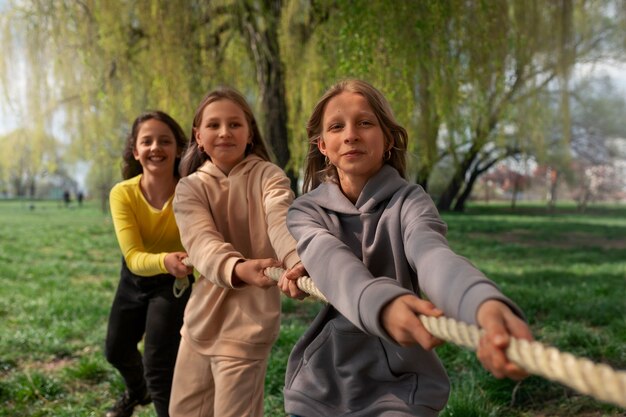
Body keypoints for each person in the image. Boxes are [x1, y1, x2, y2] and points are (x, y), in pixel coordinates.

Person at [279, 79, 534, 417]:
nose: (351, 134)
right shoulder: (305, 211)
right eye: (337, 126)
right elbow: (333, 264)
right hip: (322, 384)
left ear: (387, 140)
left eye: (365, 122)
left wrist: (479, 302)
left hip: (403, 386)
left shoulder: (410, 201)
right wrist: (384, 306)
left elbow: (432, 255)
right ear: (323, 145)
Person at [169, 86, 306, 417]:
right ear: (198, 136)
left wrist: (295, 260)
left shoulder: (269, 176)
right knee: (182, 411)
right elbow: (202, 242)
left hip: (249, 324)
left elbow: (280, 219)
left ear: (249, 133)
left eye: (235, 124)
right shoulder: (189, 188)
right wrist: (238, 268)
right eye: (213, 125)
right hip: (199, 321)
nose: (224, 132)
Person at [105, 110, 194, 417]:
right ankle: (136, 391)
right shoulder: (122, 194)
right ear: (135, 150)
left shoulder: (192, 191)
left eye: (165, 141)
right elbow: (133, 257)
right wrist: (165, 260)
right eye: (147, 141)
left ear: (179, 148)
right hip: (135, 277)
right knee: (115, 350)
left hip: (175, 284)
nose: (156, 147)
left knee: (159, 366)